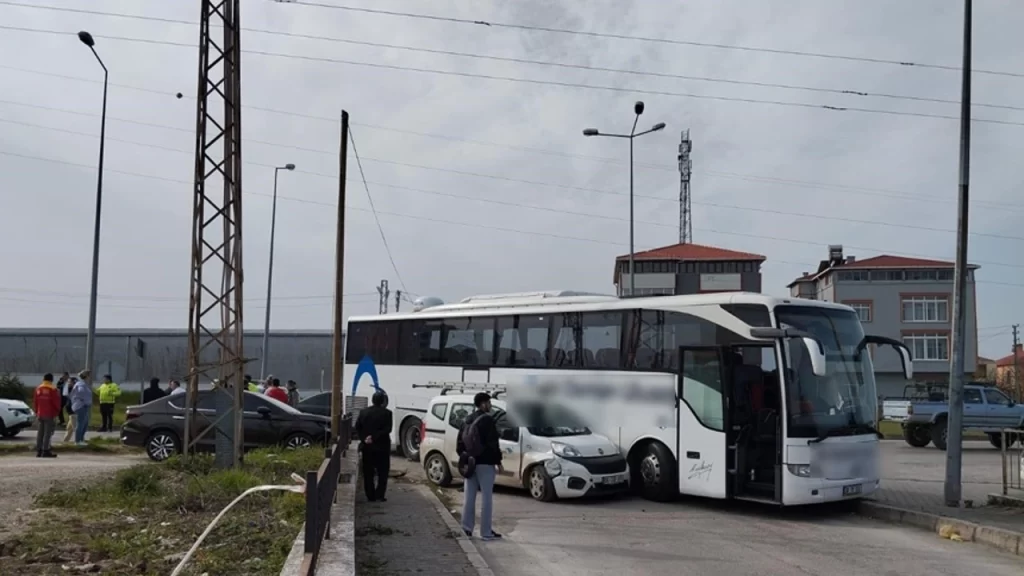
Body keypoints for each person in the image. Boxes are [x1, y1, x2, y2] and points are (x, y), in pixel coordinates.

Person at [458, 392, 503, 540]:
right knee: (486, 498)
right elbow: (493, 444)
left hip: (470, 462)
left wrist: (465, 458)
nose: (490, 405)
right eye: (489, 403)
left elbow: (460, 443)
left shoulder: (467, 419)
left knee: (469, 497)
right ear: (483, 404)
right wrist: (498, 462)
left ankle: (466, 528)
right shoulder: (487, 421)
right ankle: (486, 532)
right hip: (485, 463)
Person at [355, 392, 393, 502]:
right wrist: (375, 437)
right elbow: (387, 429)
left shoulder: (363, 412)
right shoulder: (387, 413)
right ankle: (380, 495)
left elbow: (357, 427)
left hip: (368, 447)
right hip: (382, 448)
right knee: (383, 473)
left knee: (368, 472)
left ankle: (370, 496)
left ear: (372, 400)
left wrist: (365, 438)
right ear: (382, 401)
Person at [33, 373, 61, 458]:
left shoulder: (38, 388)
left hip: (40, 413)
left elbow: (35, 402)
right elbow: (56, 402)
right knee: (47, 433)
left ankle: (39, 450)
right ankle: (45, 450)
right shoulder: (53, 389)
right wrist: (57, 412)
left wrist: (36, 411)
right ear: (51, 380)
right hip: (49, 413)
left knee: (40, 432)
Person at [70, 370, 93, 445]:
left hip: (83, 406)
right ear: (86, 376)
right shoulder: (81, 384)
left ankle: (81, 439)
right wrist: (83, 400)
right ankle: (78, 441)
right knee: (81, 423)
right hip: (81, 406)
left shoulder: (82, 383)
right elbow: (81, 392)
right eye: (89, 376)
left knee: (85, 424)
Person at [62, 376, 78, 443]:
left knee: (75, 428)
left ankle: (79, 441)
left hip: (73, 412)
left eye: (70, 382)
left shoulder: (75, 390)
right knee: (69, 428)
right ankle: (65, 441)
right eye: (68, 382)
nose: (68, 383)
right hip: (70, 412)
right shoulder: (68, 389)